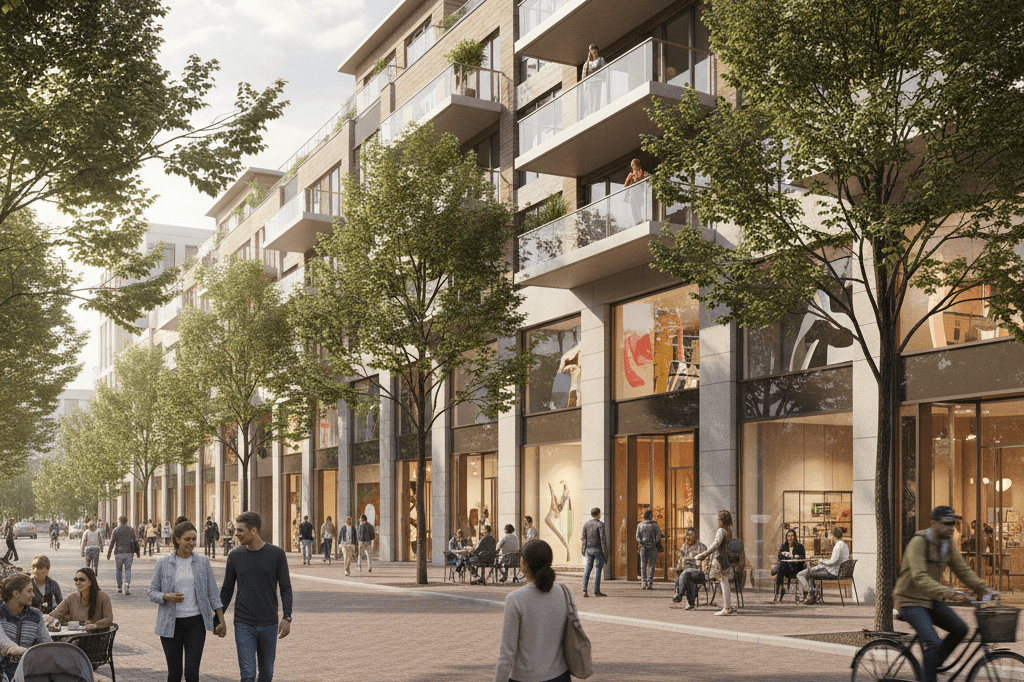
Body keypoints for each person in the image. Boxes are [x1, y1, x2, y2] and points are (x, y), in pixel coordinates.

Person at [149, 521, 227, 682]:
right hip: (170, 624)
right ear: (177, 539)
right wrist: (166, 596)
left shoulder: (203, 562)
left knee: (192, 673)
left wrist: (221, 620)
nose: (191, 543)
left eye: (194, 539)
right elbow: (152, 592)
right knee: (175, 674)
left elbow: (212, 593)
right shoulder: (163, 564)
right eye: (187, 539)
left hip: (196, 623)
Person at [221, 512, 292, 682]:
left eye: (240, 530)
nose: (236, 534)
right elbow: (227, 589)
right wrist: (218, 617)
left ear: (253, 530)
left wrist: (287, 617)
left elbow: (286, 588)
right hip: (243, 623)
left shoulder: (276, 554)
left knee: (267, 674)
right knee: (248, 674)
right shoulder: (235, 556)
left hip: (269, 623)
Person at [492, 539, 574, 682]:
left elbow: (507, 653)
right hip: (560, 675)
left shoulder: (515, 599)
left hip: (525, 677)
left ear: (524, 564)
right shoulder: (565, 592)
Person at [0, 573, 52, 680]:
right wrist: (14, 649)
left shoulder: (36, 615)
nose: (33, 595)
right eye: (29, 591)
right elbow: (2, 640)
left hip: (28, 671)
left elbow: (47, 643)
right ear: (16, 593)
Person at [695, 510, 737, 616]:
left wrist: (703, 555)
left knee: (724, 583)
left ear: (721, 520)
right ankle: (728, 606)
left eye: (718, 518)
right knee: (724, 582)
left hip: (720, 559)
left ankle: (727, 607)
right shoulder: (729, 530)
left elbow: (715, 545)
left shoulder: (721, 531)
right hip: (725, 559)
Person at [46, 567, 114, 631]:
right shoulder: (72, 597)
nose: (78, 583)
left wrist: (95, 625)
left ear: (90, 582)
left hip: (95, 637)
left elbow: (108, 619)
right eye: (76, 580)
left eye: (82, 580)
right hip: (75, 635)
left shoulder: (103, 597)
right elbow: (55, 614)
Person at [797, 526, 849, 604]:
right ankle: (811, 593)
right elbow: (835, 561)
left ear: (833, 535)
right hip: (837, 570)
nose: (829, 538)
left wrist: (821, 561)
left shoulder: (838, 546)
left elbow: (833, 562)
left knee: (807, 574)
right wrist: (821, 563)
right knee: (811, 571)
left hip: (834, 572)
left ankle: (810, 594)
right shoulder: (844, 545)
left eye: (830, 536)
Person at [672, 527, 707, 609]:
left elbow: (705, 564)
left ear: (696, 536)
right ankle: (690, 603)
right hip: (687, 574)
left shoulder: (701, 547)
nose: (689, 537)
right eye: (687, 535)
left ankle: (679, 593)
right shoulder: (684, 546)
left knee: (686, 574)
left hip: (698, 573)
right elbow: (680, 560)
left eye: (691, 535)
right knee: (687, 576)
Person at [108, 515, 141, 595]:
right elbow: (135, 541)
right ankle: (126, 584)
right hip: (129, 552)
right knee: (128, 569)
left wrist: (109, 553)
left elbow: (112, 542)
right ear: (126, 521)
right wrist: (138, 552)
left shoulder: (115, 530)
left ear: (119, 521)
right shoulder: (131, 530)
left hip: (119, 553)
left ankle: (119, 587)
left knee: (118, 570)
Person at [580, 507, 608, 598]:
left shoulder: (586, 524)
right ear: (599, 514)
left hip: (589, 550)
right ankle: (597, 591)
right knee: (598, 570)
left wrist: (583, 550)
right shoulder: (601, 525)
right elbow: (603, 540)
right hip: (598, 550)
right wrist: (605, 553)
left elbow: (584, 538)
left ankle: (584, 589)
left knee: (587, 569)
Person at [772, 529, 806, 602]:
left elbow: (803, 559)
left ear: (795, 537)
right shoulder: (784, 546)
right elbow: (779, 556)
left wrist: (795, 557)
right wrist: (786, 555)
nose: (790, 538)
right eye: (788, 536)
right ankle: (778, 592)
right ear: (786, 537)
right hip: (786, 569)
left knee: (781, 566)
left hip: (796, 569)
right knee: (782, 562)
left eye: (792, 536)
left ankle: (777, 593)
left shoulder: (800, 547)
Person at [636, 509, 662, 590]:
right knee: (652, 565)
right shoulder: (654, 524)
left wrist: (642, 542)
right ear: (650, 515)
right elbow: (658, 535)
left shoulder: (640, 525)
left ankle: (643, 582)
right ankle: (650, 582)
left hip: (643, 547)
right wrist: (654, 542)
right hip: (653, 546)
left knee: (643, 564)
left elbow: (637, 536)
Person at [623, 158, 649, 224]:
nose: (632, 167)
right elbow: (626, 185)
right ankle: (637, 221)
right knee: (634, 207)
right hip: (633, 194)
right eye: (632, 165)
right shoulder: (631, 175)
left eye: (633, 165)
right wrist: (626, 196)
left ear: (637, 165)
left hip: (640, 193)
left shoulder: (642, 173)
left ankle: (641, 219)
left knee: (639, 207)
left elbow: (649, 178)